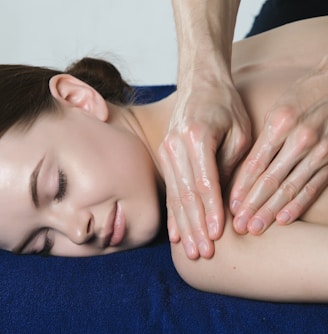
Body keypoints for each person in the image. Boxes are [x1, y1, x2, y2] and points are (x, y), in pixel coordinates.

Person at [0, 17, 328, 301]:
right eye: (43, 243)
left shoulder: (206, 240)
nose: (76, 231)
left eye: (58, 186)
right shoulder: (235, 55)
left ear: (79, 99)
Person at [166, 0, 328, 260]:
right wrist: (202, 74)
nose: (79, 231)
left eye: (72, 185)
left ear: (78, 98)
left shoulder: (204, 248)